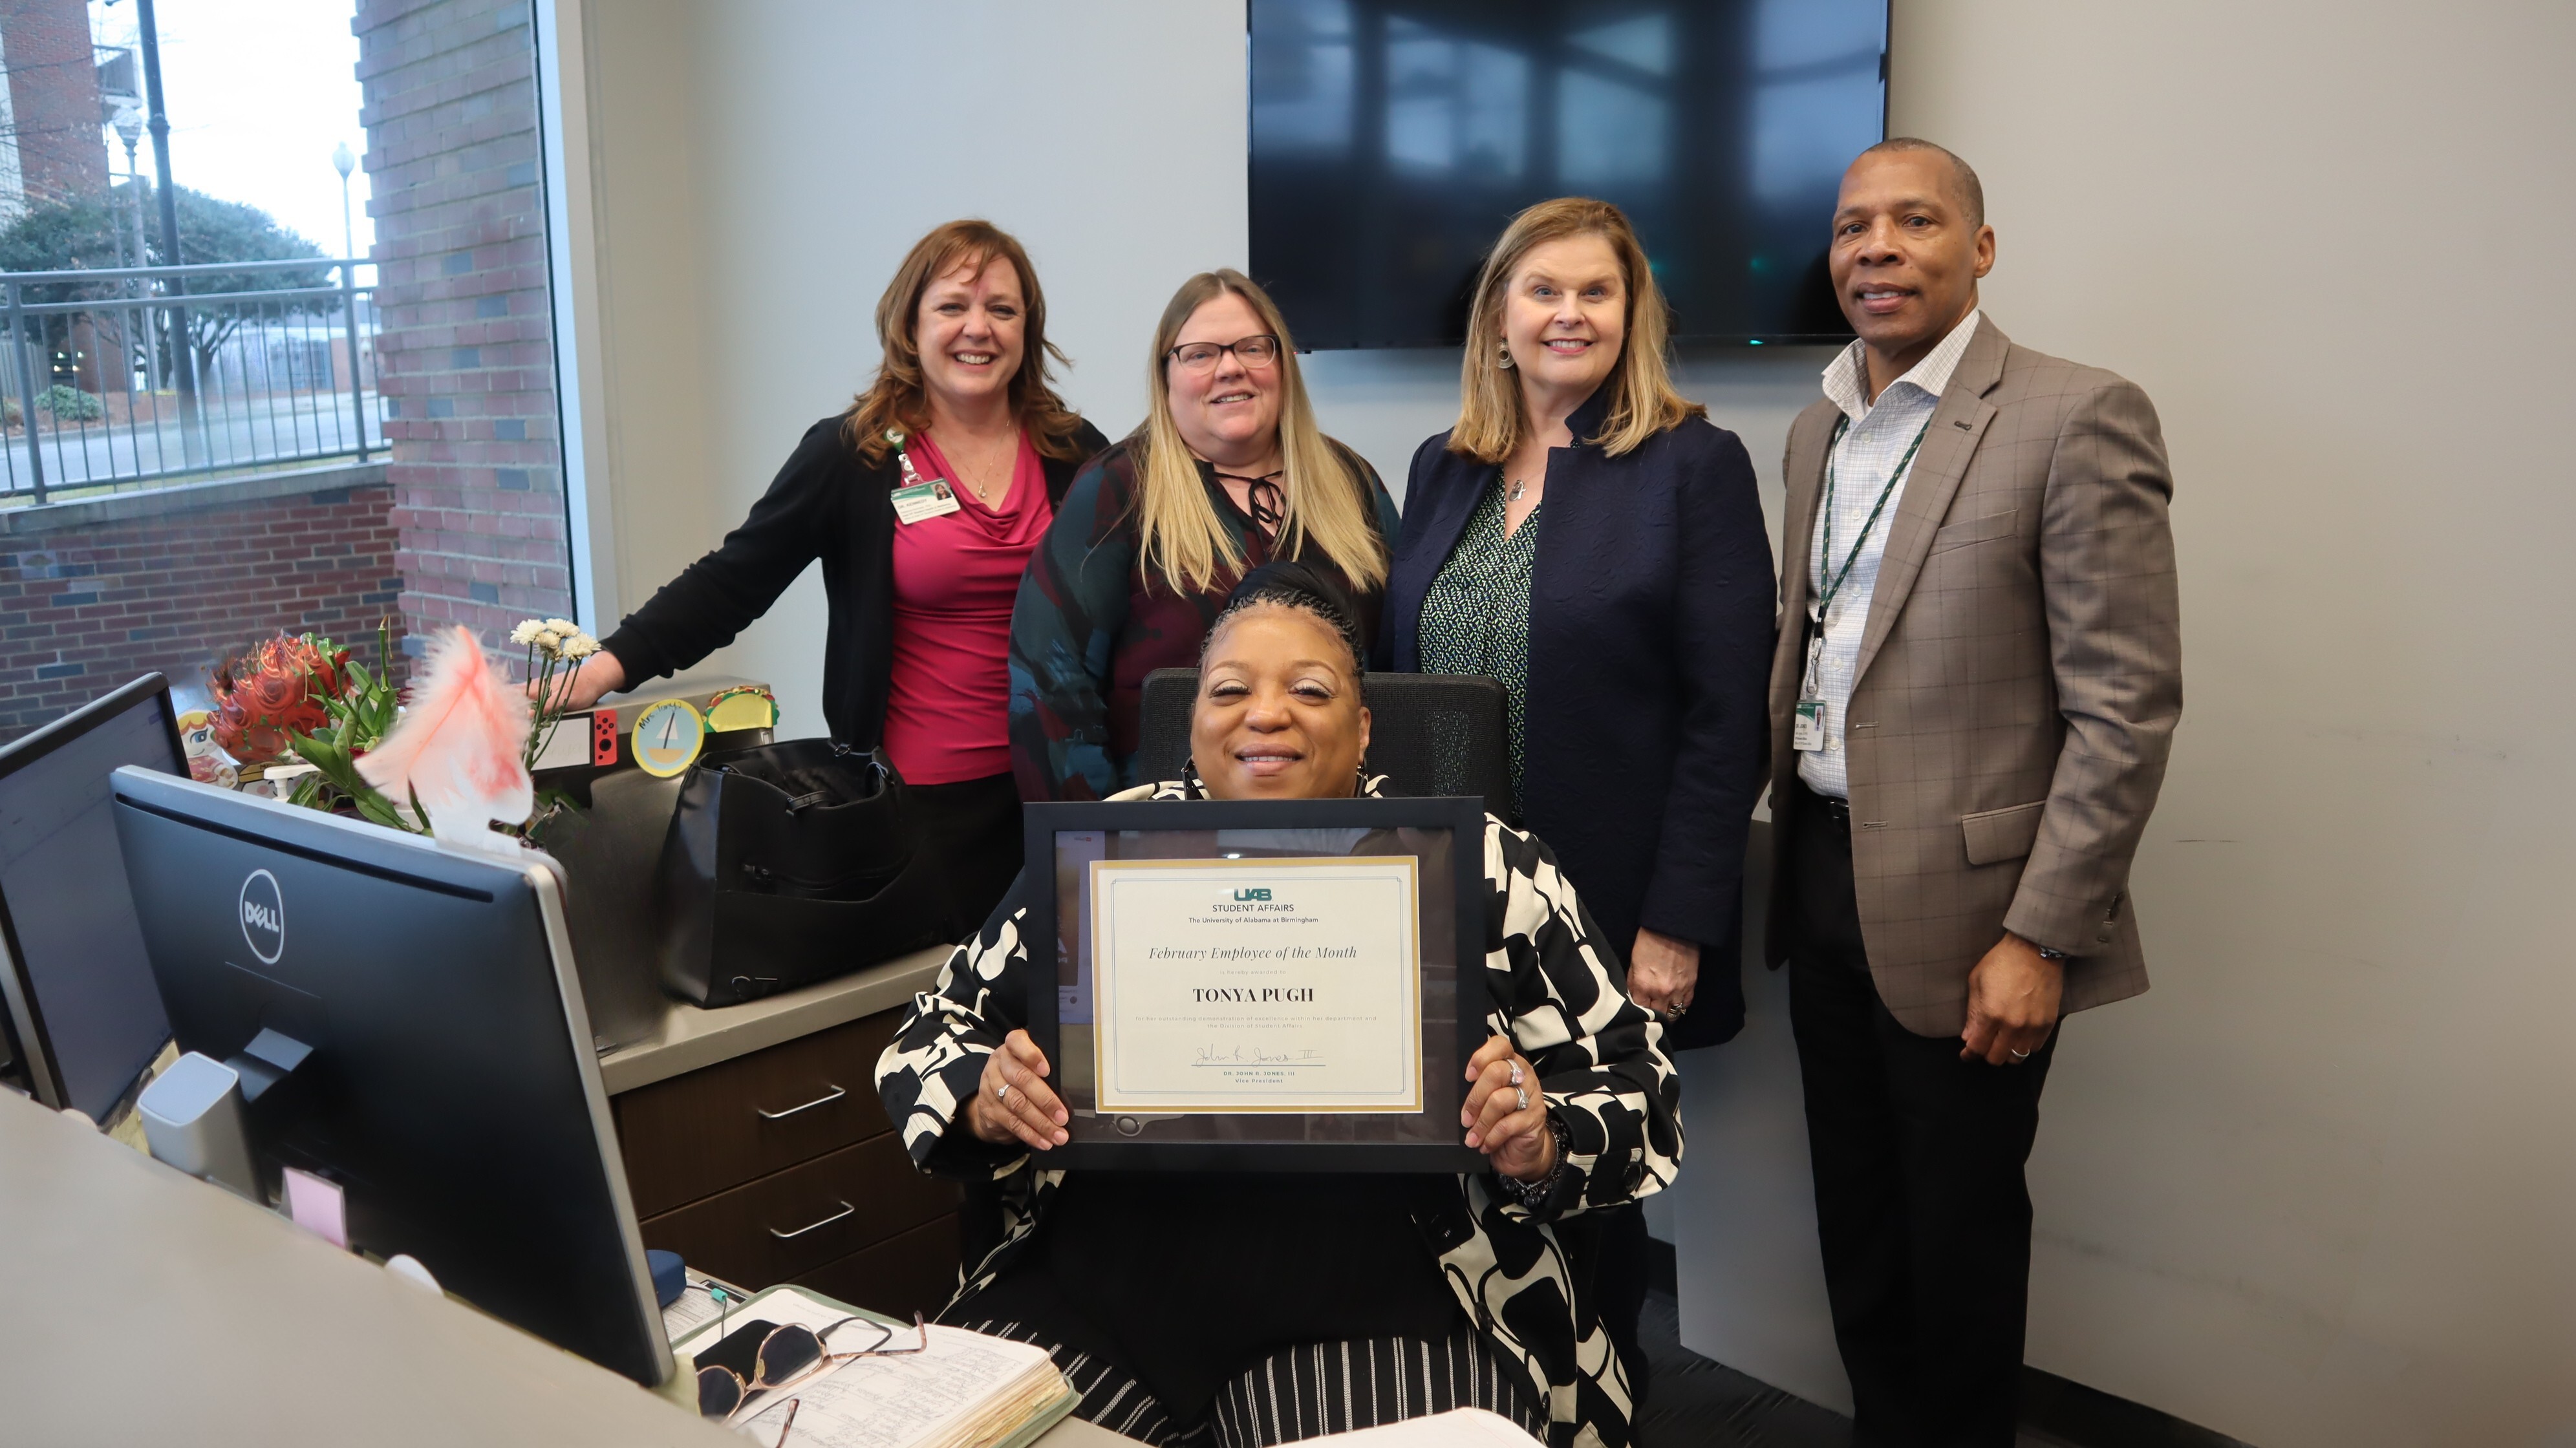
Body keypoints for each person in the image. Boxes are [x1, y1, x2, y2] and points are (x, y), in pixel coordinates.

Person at [878, 562, 1680, 1448]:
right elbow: (933, 1032)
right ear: (1194, 723)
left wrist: (1544, 1133)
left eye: (1308, 688)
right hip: (1103, 1282)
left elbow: (1640, 1084)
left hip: (1382, 1293)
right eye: (1231, 690)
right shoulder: (1100, 853)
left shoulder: (1489, 871)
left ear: (1364, 727)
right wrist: (983, 1093)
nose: (1266, 714)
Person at [1768, 139, 2181, 1446]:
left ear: (1980, 250)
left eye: (1914, 221)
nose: (1876, 247)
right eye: (1852, 228)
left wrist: (2043, 933)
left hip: (1979, 913)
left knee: (1957, 1236)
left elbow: (2126, 705)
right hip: (1821, 882)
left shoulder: (2075, 411)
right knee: (1860, 1220)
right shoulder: (1814, 428)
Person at [1374, 196, 1775, 1393]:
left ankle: (1598, 1410)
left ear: (1628, 315)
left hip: (1600, 912)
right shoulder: (1439, 468)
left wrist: (1677, 916)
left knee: (1583, 1190)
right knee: (1456, 1171)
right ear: (1498, 315)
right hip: (1445, 900)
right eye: (1541, 289)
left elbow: (1725, 714)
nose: (1567, 313)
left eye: (1594, 292)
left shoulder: (1691, 464)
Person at [555, 220, 1109, 935]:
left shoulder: (1075, 452)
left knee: (1058, 1023)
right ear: (910, 325)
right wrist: (606, 666)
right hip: (919, 811)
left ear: (1026, 330)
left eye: (1002, 309)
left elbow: (1137, 599)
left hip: (1060, 795)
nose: (979, 328)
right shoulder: (854, 456)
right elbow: (733, 580)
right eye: (952, 307)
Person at [1008, 270, 1401, 801]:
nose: (1231, 368)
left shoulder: (1352, 482)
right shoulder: (1118, 490)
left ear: (1283, 364)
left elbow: (1401, 661)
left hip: (1341, 822)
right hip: (1163, 832)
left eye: (1253, 348)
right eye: (1200, 354)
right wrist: (1101, 839)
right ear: (1166, 374)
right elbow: (1051, 685)